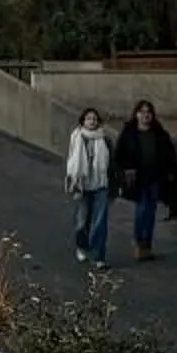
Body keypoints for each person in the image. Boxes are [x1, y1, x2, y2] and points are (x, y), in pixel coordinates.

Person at [112, 99, 177, 262]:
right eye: (142, 112)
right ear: (136, 114)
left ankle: (147, 243)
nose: (145, 115)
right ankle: (139, 242)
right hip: (138, 178)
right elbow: (119, 156)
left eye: (148, 112)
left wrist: (176, 178)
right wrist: (124, 171)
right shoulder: (129, 133)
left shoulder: (159, 134)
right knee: (141, 209)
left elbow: (170, 157)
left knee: (150, 211)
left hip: (156, 177)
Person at [64, 105, 115, 269]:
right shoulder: (76, 137)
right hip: (83, 185)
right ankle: (82, 246)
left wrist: (114, 184)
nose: (92, 121)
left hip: (101, 185)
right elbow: (72, 160)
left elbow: (112, 163)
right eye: (88, 119)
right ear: (83, 121)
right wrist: (73, 182)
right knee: (82, 221)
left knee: (100, 223)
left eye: (94, 119)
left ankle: (98, 256)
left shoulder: (105, 139)